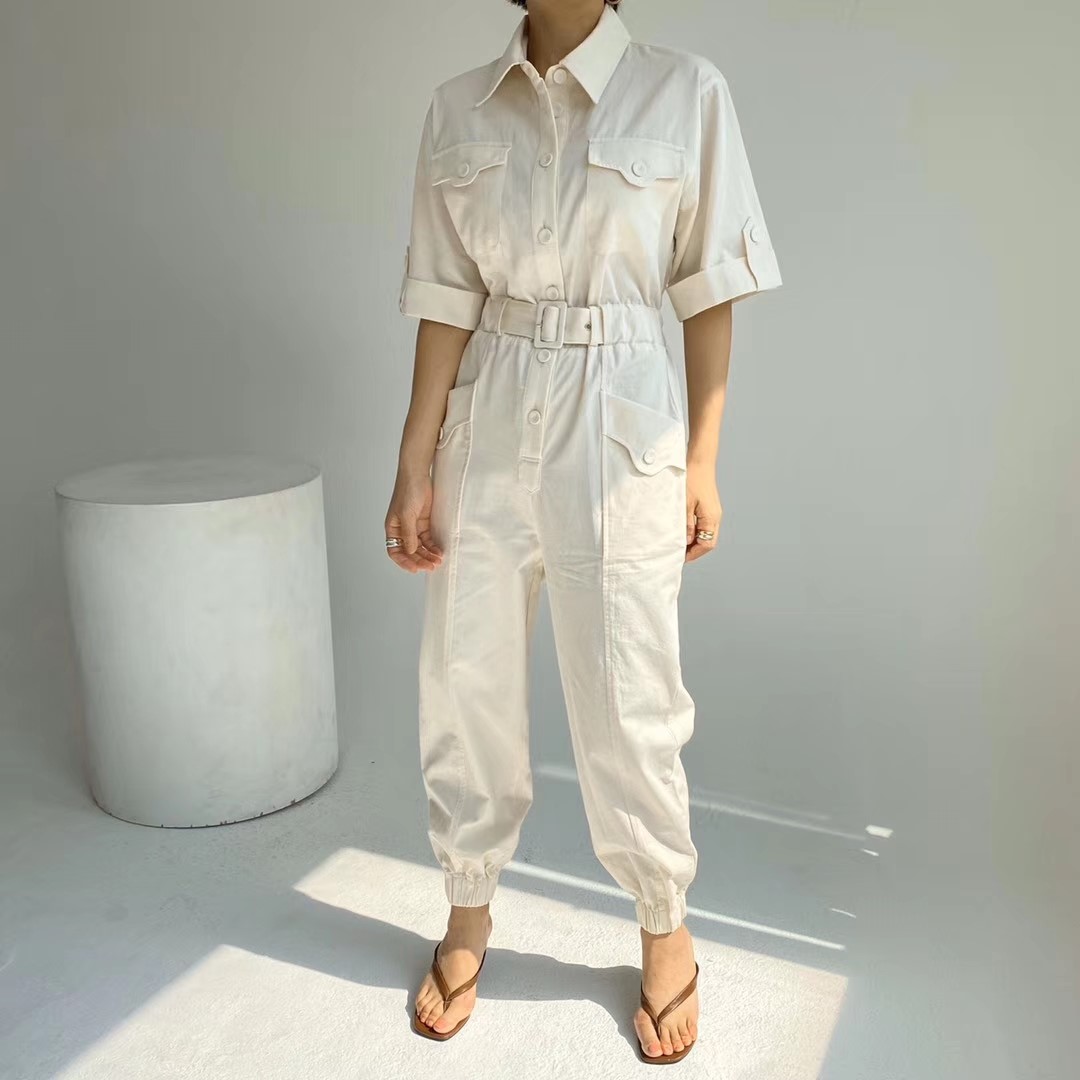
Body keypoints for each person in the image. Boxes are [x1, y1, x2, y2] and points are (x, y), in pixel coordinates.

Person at [387, 0, 781, 1063]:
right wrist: (415, 459)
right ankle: (467, 907)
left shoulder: (684, 91)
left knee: (629, 692)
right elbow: (445, 297)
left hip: (621, 414)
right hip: (487, 411)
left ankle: (664, 921)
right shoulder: (458, 108)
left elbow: (709, 288)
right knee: (464, 680)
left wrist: (703, 459)